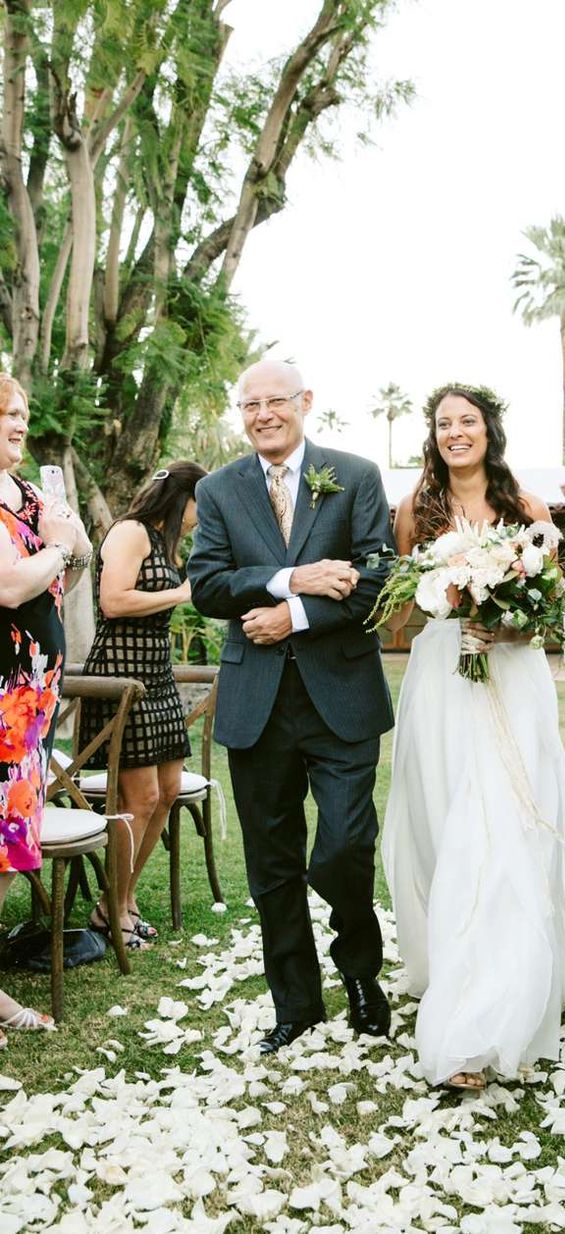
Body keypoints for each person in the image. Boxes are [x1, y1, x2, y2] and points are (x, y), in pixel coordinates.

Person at [381, 382, 565, 1091]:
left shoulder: (530, 510)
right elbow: (402, 623)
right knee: (443, 826)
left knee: (502, 830)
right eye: (444, 423)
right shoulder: (413, 512)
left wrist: (504, 621)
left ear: (490, 430)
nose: (456, 432)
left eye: (468, 421)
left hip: (513, 683)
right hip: (440, 684)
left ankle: (483, 1019)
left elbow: (547, 620)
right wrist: (444, 599)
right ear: (433, 435)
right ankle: (456, 965)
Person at [188, 360, 394, 1054]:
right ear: (240, 414)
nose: (264, 414)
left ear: (305, 402)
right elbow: (208, 586)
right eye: (251, 405)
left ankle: (361, 975)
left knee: (344, 846)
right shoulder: (219, 491)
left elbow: (375, 584)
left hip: (342, 696)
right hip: (257, 702)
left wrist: (293, 617)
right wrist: (290, 579)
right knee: (272, 864)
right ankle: (296, 1004)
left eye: (276, 401)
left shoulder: (355, 476)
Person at [78, 461, 206, 950]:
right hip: (119, 674)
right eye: (199, 505)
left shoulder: (165, 541)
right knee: (141, 799)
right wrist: (182, 592)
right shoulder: (131, 532)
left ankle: (122, 901)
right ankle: (110, 908)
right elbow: (113, 602)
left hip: (157, 676)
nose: (200, 516)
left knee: (168, 791)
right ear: (181, 499)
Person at [0, 373, 92, 1043]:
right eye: (3, 412)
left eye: (21, 412)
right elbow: (9, 585)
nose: (17, 422)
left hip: (33, 704)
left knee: (9, 848)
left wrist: (66, 542)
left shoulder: (33, 493)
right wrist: (58, 547)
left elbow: (82, 553)